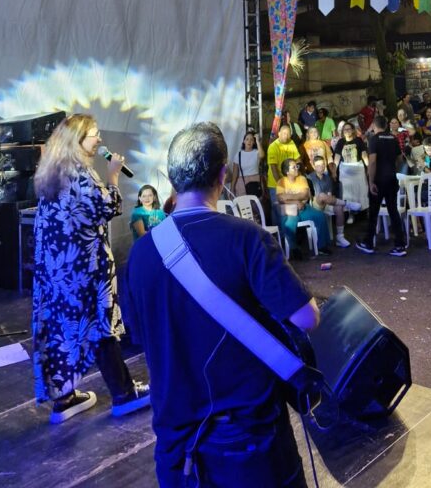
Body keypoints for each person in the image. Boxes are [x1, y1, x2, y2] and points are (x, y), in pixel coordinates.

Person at [126, 122, 318, 487]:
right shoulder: (247, 238)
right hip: (250, 444)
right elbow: (307, 318)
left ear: (171, 178)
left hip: (177, 447)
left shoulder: (140, 254)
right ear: (223, 174)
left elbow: (140, 335)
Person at [32, 114, 150, 423]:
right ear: (78, 141)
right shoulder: (79, 175)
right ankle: (123, 393)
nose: (99, 140)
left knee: (60, 329)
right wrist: (112, 176)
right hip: (83, 270)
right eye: (94, 135)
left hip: (56, 272)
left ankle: (64, 399)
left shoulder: (53, 172)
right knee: (101, 325)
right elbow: (106, 207)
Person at [355, 116, 407, 257]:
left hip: (379, 180)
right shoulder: (393, 139)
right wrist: (392, 169)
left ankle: (368, 243)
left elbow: (372, 162)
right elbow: (400, 159)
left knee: (373, 212)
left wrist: (371, 182)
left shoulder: (374, 140)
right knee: (393, 211)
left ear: (374, 125)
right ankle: (400, 245)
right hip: (391, 179)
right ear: (386, 125)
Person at [276, 159, 331, 259]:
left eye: (296, 166)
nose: (297, 168)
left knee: (320, 216)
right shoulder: (281, 182)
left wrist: (288, 196)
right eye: (293, 167)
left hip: (304, 208)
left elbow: (305, 194)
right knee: (288, 224)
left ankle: (322, 246)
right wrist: (296, 201)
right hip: (290, 211)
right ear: (287, 171)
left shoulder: (302, 179)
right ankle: (294, 249)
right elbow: (280, 199)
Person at [307, 155, 350, 248]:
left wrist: (329, 198)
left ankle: (340, 236)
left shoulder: (327, 178)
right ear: (314, 166)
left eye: (323, 165)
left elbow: (330, 195)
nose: (321, 167)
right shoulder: (309, 178)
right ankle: (346, 203)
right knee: (321, 196)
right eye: (318, 165)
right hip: (315, 204)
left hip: (327, 202)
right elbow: (311, 197)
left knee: (338, 207)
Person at [334, 122, 369, 217]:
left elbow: (364, 155)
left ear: (353, 130)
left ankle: (364, 210)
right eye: (345, 129)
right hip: (345, 170)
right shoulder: (341, 142)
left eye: (349, 129)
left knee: (361, 190)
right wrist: (334, 171)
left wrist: (368, 167)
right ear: (342, 131)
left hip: (358, 169)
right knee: (347, 192)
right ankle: (350, 214)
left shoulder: (358, 140)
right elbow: (337, 157)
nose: (347, 131)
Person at [266, 125, 301, 216]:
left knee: (288, 211)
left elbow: (298, 159)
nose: (286, 136)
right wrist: (281, 185)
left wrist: (298, 172)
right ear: (279, 134)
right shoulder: (273, 147)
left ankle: (286, 229)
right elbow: (273, 168)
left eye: (288, 134)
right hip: (275, 184)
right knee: (277, 210)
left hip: (290, 183)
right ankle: (277, 230)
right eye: (284, 133)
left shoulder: (291, 143)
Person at [231, 131, 265, 198]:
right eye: (247, 139)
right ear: (244, 141)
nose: (249, 141)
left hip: (255, 181)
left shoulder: (257, 153)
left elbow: (262, 155)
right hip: (242, 183)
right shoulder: (238, 155)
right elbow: (235, 175)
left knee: (256, 205)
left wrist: (257, 141)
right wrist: (232, 189)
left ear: (254, 142)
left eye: (251, 140)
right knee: (244, 207)